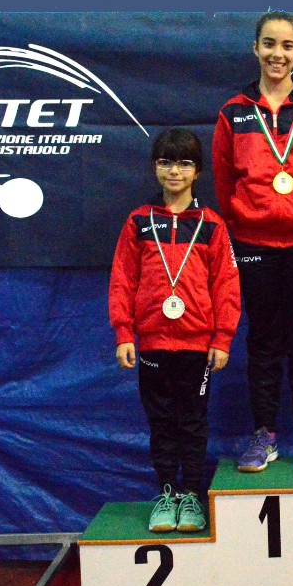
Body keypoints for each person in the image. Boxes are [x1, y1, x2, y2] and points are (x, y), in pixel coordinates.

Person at [212, 10, 293, 473]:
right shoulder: (233, 112)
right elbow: (223, 180)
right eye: (269, 44)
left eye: (287, 46)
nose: (277, 54)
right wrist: (249, 217)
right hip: (254, 242)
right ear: (255, 48)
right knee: (263, 339)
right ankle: (264, 434)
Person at [109, 128, 241, 533]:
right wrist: (124, 333)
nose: (174, 171)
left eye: (184, 163)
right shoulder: (138, 222)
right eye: (166, 162)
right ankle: (167, 494)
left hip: (197, 345)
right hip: (151, 343)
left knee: (192, 423)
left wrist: (222, 338)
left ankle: (193, 497)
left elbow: (226, 285)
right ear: (155, 167)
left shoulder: (211, 225)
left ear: (198, 171)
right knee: (161, 422)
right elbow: (122, 280)